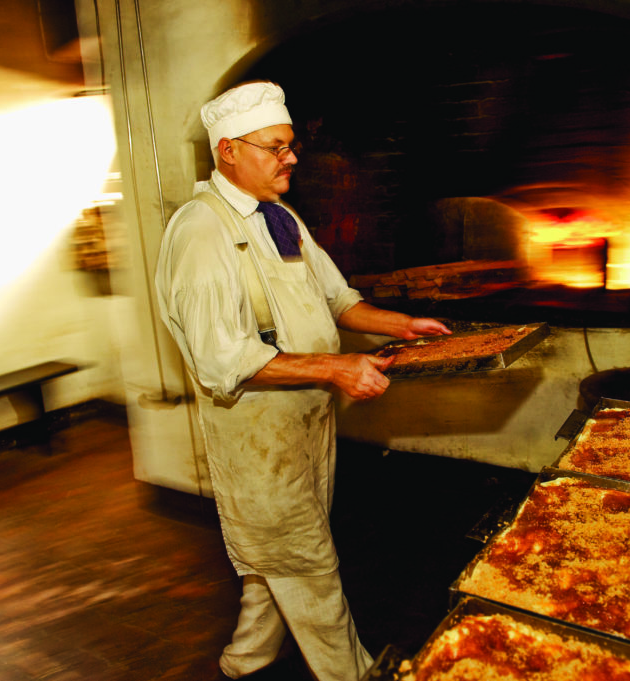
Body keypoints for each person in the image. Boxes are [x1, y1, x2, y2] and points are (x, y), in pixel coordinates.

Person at [154, 80, 450, 681]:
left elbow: (338, 299)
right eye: (276, 146)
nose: (292, 157)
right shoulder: (200, 232)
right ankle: (355, 673)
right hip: (255, 438)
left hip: (308, 427)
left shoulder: (281, 218)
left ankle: (247, 658)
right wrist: (338, 368)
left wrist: (403, 324)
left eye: (290, 145)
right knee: (308, 563)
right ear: (228, 151)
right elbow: (221, 360)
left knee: (279, 551)